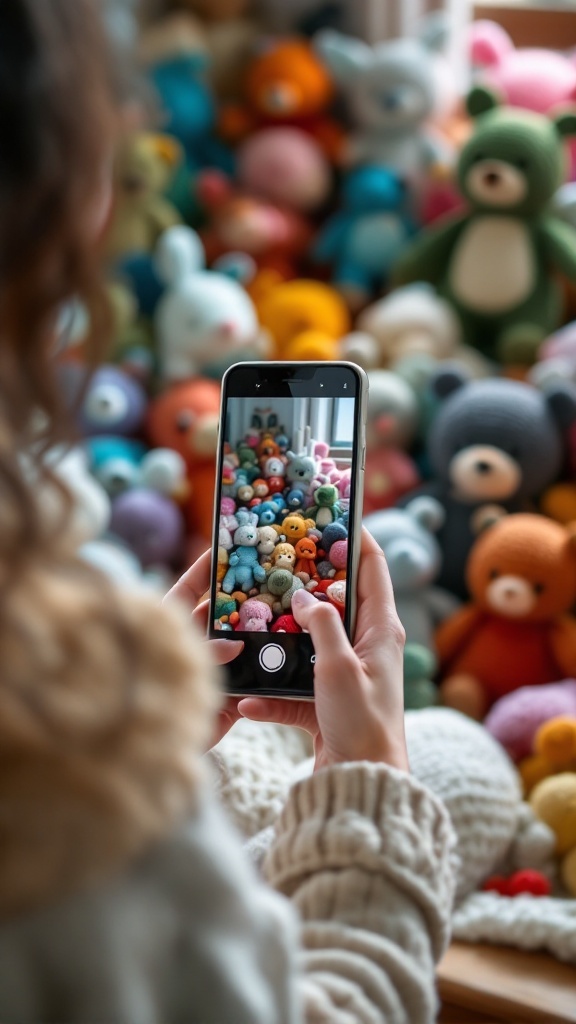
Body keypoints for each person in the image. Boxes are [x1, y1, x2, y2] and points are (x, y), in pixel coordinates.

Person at [0, 2, 456, 1022]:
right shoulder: (54, 740)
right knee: (452, 750)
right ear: (58, 200)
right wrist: (371, 783)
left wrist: (152, 738)